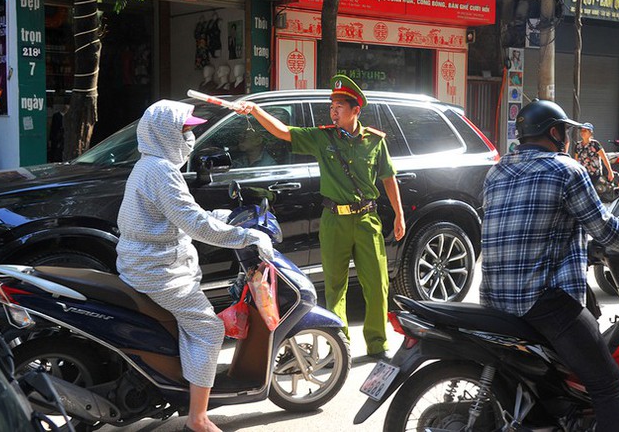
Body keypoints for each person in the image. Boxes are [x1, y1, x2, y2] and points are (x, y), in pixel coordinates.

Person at [481, 99, 619, 432]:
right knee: (610, 386)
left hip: (494, 302)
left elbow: (530, 227)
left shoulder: (497, 170)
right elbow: (606, 229)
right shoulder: (566, 169)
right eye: (565, 131)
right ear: (554, 132)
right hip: (542, 303)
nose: (567, 138)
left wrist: (586, 250)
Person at [115, 100, 274, 432]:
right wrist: (244, 237)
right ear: (165, 133)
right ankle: (199, 419)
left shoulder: (149, 165)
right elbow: (194, 224)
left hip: (141, 262)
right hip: (157, 271)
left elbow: (179, 214)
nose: (190, 137)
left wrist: (219, 218)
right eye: (185, 130)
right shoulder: (161, 171)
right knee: (208, 328)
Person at [236, 74, 406, 359]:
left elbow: (389, 179)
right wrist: (255, 110)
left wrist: (399, 216)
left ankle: (378, 344)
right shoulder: (321, 137)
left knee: (377, 284)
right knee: (335, 287)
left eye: (340, 106)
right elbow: (283, 131)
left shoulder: (375, 142)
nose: (334, 111)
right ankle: (341, 346)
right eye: (332, 106)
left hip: (366, 220)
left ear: (356, 110)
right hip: (333, 221)